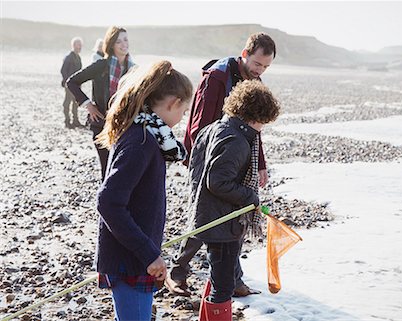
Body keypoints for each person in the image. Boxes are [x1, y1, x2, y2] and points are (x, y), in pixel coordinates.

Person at [165, 32, 276, 297]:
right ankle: (177, 272)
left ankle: (233, 278)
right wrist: (202, 160)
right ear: (245, 54)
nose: (260, 71)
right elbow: (199, 124)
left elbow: (254, 128)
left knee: (233, 214)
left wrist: (259, 163)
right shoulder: (217, 77)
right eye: (257, 64)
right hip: (208, 153)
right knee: (205, 214)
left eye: (266, 67)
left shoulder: (254, 80)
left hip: (235, 151)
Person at [94, 60, 193, 321]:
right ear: (172, 103)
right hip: (130, 258)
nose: (182, 118)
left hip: (133, 253)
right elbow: (108, 202)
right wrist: (149, 254)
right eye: (183, 111)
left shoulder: (145, 134)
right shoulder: (142, 141)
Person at [190, 80, 280, 320]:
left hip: (211, 216)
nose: (262, 128)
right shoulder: (236, 141)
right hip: (221, 223)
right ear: (254, 116)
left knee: (218, 275)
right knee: (223, 285)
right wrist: (250, 197)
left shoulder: (216, 128)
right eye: (263, 122)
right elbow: (216, 181)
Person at [67, 26, 135, 180]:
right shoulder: (101, 65)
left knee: (121, 168)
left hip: (123, 126)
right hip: (101, 124)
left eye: (125, 39)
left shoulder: (133, 69)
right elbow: (72, 82)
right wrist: (88, 104)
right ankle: (105, 201)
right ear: (111, 45)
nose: (124, 44)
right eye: (118, 41)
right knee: (107, 169)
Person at [60, 37, 83, 128]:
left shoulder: (78, 57)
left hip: (77, 84)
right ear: (73, 45)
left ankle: (75, 121)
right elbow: (63, 70)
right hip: (69, 84)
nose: (80, 47)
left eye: (80, 45)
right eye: (78, 45)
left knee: (76, 102)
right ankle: (67, 121)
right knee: (67, 102)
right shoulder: (68, 57)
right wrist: (67, 82)